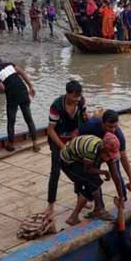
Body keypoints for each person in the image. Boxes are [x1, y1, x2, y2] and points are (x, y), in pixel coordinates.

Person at [44, 80, 87, 217]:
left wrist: (84, 122)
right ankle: (50, 204)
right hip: (57, 139)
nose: (77, 100)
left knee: (78, 168)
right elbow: (50, 130)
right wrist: (62, 147)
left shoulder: (80, 102)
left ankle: (79, 197)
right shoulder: (56, 106)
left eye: (79, 97)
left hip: (73, 139)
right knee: (55, 171)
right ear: (67, 94)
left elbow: (83, 119)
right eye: (74, 97)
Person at [60, 133, 123, 225]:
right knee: (92, 184)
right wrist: (104, 172)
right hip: (68, 162)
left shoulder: (104, 151)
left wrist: (121, 196)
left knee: (95, 183)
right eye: (108, 154)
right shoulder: (91, 151)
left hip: (80, 158)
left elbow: (116, 175)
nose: (109, 158)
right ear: (103, 149)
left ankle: (98, 209)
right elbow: (87, 169)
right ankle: (73, 217)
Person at [0, 53, 39, 152]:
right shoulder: (9, 64)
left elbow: (2, 88)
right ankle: (35, 145)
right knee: (29, 119)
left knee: (11, 121)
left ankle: (11, 145)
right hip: (23, 91)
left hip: (12, 96)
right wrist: (31, 87)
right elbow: (22, 73)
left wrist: (0, 91)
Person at [80, 109, 131, 200]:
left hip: (109, 153)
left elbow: (123, 157)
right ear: (102, 123)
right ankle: (96, 203)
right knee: (92, 175)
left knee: (116, 173)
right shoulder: (90, 126)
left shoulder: (118, 135)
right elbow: (77, 140)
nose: (113, 130)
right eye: (110, 127)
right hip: (92, 152)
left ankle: (123, 198)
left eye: (115, 126)